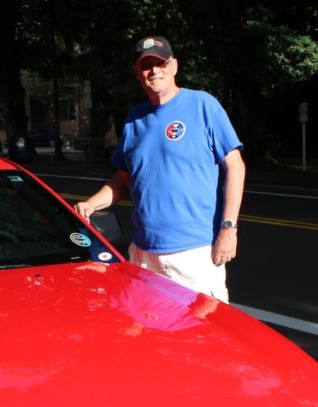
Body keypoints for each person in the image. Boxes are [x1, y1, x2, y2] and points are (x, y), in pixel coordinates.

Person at [75, 36, 245, 302]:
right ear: (137, 73)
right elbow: (123, 179)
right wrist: (91, 204)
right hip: (144, 255)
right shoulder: (135, 119)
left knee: (201, 337)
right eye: (146, 65)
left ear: (173, 66)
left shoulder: (202, 106)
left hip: (194, 255)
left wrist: (228, 228)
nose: (154, 70)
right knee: (151, 336)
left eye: (160, 63)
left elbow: (235, 165)